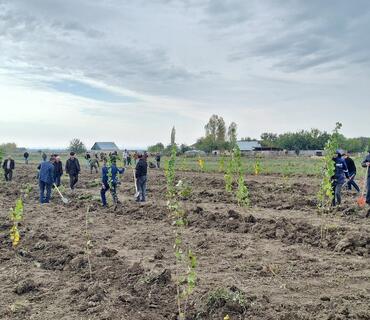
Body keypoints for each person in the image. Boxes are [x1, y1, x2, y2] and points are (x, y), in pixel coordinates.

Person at [362, 150, 370, 217]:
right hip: (369, 176)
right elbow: (362, 164)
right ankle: (368, 203)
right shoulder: (367, 156)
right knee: (369, 190)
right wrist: (366, 164)